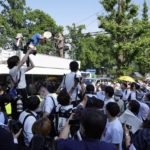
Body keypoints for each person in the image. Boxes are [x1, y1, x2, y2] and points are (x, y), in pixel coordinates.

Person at [7, 49, 35, 119]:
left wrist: (28, 55)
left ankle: (22, 122)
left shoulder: (21, 69)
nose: (20, 61)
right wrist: (28, 51)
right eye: (18, 61)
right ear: (16, 62)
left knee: (24, 110)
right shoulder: (12, 71)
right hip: (18, 91)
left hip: (23, 91)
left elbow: (32, 66)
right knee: (17, 110)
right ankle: (16, 124)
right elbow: (23, 61)